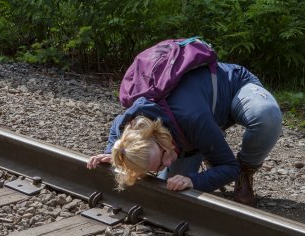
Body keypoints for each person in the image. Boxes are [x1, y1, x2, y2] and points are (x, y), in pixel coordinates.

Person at [87, 62, 282, 207]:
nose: (168, 164)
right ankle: (208, 149)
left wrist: (193, 180)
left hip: (234, 87)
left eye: (164, 159)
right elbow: (116, 128)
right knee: (166, 195)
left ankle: (246, 172)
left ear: (160, 139)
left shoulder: (193, 118)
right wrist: (113, 155)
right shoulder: (135, 119)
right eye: (159, 167)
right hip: (193, 126)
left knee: (267, 115)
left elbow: (230, 167)